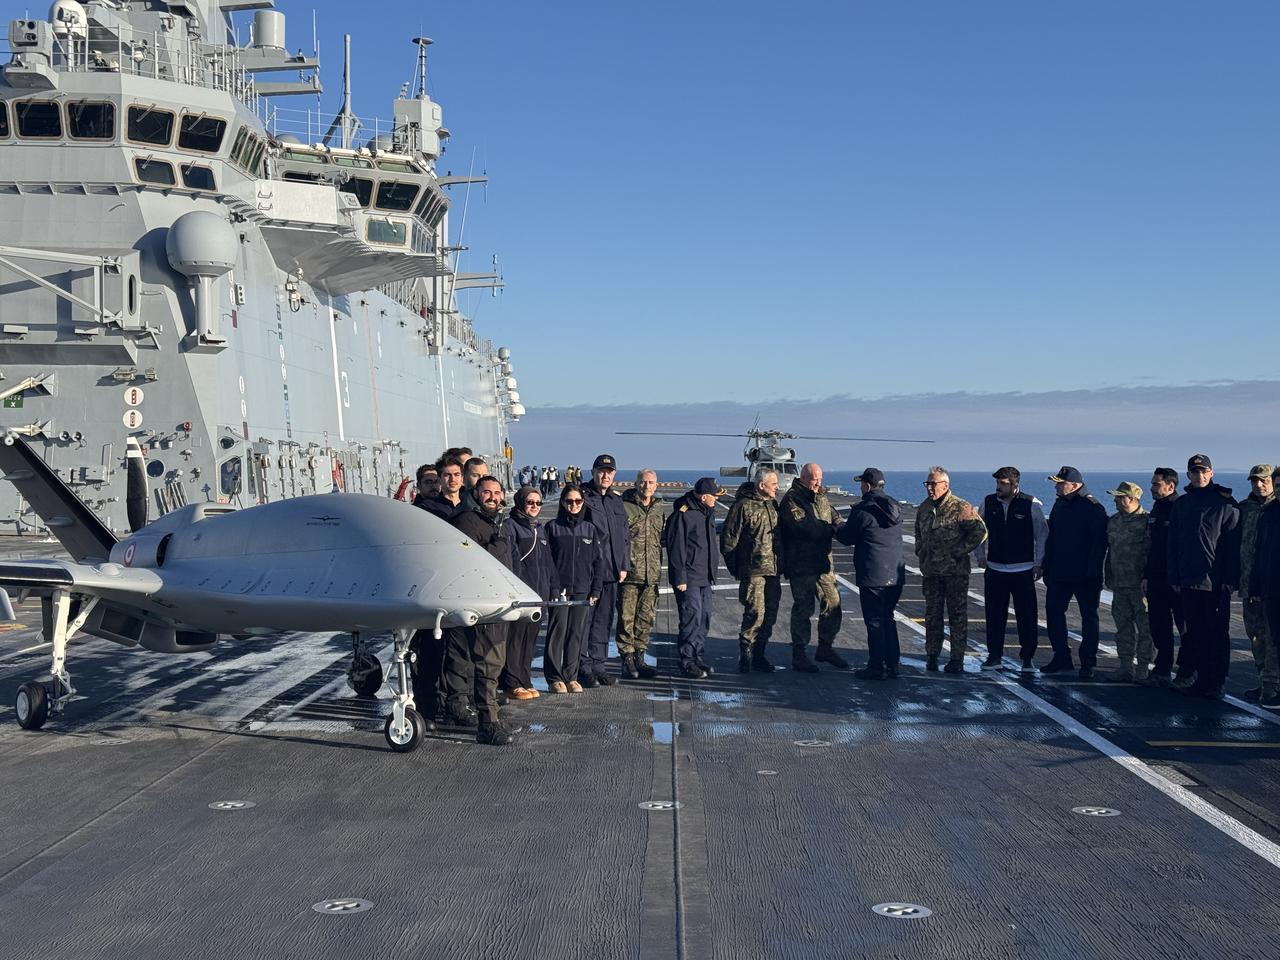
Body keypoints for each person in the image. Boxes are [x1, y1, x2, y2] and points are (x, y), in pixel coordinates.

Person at [1168, 454, 1239, 699]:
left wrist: (1231, 579)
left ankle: (1216, 681)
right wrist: (1175, 576)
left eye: (1203, 471)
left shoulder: (1226, 505)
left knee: (1217, 634)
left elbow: (1233, 545)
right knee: (1194, 633)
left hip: (1215, 582)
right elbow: (1173, 543)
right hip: (1188, 580)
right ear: (1188, 474)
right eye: (1194, 471)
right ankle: (1200, 678)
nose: (1199, 475)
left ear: (1211, 473)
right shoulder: (1182, 504)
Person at [451, 475, 515, 745]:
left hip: (498, 599)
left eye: (497, 493)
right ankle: (487, 724)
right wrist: (497, 545)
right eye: (486, 493)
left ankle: (491, 716)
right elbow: (471, 559)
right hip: (481, 602)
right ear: (476, 493)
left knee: (494, 664)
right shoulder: (467, 520)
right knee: (487, 665)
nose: (492, 497)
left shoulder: (496, 520)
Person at [974, 467, 1047, 674]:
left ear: (1015, 485)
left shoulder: (1030, 504)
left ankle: (1027, 659)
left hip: (1023, 570)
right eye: (997, 483)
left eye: (1003, 484)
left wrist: (1039, 562)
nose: (998, 487)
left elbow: (1042, 534)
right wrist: (979, 556)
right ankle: (994, 656)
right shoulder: (988, 502)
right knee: (994, 615)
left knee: (1027, 616)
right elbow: (979, 531)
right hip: (995, 569)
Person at [915, 466, 988, 674]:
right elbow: (918, 531)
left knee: (957, 616)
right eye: (927, 484)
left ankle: (957, 658)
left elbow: (980, 531)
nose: (929, 488)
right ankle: (932, 654)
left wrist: (958, 550)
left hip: (955, 573)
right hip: (931, 573)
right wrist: (921, 550)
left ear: (945, 485)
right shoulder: (924, 508)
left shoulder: (960, 507)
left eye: (933, 484)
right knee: (932, 615)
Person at [835, 468, 905, 679]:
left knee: (874, 622)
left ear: (866, 486)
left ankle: (876, 666)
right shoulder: (895, 507)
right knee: (888, 618)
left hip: (873, 574)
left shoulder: (864, 510)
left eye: (861, 484)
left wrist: (835, 524)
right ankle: (892, 664)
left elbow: (847, 537)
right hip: (895, 574)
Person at [779, 462, 847, 673]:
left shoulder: (822, 496)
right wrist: (831, 529)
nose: (817, 483)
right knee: (804, 608)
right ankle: (799, 653)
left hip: (823, 563)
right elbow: (805, 527)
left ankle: (825, 647)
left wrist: (846, 529)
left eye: (820, 479)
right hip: (802, 564)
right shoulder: (792, 499)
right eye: (814, 479)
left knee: (833, 603)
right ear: (803, 478)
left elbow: (836, 518)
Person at [1041, 466, 1108, 679]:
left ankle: (1088, 662)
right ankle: (1061, 656)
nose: (1056, 486)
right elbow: (1052, 537)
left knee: (1089, 617)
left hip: (1085, 575)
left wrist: (1092, 572)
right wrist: (1047, 566)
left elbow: (1099, 544)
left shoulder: (1093, 508)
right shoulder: (1060, 505)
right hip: (1060, 572)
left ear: (1075, 485)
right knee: (1053, 613)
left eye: (1061, 483)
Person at [720, 470, 783, 673]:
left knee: (770, 615)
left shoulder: (773, 506)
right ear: (761, 485)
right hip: (753, 571)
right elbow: (729, 540)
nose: (777, 487)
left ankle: (760, 654)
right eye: (773, 483)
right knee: (755, 613)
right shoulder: (743, 506)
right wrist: (738, 569)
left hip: (773, 571)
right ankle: (745, 653)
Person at [544, 484, 603, 693]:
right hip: (558, 589)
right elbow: (547, 561)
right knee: (557, 633)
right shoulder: (552, 528)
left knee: (576, 633)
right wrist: (552, 587)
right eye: (569, 501)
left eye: (578, 501)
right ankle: (554, 678)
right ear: (562, 502)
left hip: (582, 589)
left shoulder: (590, 529)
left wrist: (595, 590)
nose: (574, 505)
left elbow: (598, 562)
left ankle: (571, 676)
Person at [501, 486, 557, 701]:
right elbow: (512, 562)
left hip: (539, 595)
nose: (534, 507)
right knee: (515, 640)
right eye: (530, 502)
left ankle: (525, 679)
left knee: (530, 641)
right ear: (520, 503)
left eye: (538, 503)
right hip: (522, 595)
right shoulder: (510, 527)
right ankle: (511, 682)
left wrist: (552, 587)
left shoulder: (539, 529)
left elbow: (548, 563)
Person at [581, 454, 630, 685]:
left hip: (611, 572)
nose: (605, 475)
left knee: (604, 620)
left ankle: (599, 664)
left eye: (609, 472)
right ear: (593, 472)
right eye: (601, 471)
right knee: (586, 620)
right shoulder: (582, 497)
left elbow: (624, 536)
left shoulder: (615, 501)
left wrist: (624, 565)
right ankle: (583, 666)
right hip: (590, 571)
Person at [668, 478, 722, 678]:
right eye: (714, 495)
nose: (716, 499)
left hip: (705, 576)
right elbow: (676, 548)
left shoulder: (707, 512)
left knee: (704, 617)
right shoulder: (683, 514)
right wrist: (680, 578)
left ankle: (697, 655)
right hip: (689, 577)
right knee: (691, 617)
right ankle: (687, 660)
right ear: (703, 496)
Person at [617, 469, 665, 679]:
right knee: (626, 619)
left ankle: (640, 657)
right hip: (630, 573)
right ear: (636, 484)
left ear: (656, 485)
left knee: (646, 618)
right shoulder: (624, 507)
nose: (647, 486)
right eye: (643, 482)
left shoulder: (658, 508)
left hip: (651, 575)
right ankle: (626, 659)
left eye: (651, 482)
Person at [1104, 481, 1152, 683]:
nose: (1115, 500)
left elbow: (1152, 554)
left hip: (1139, 586)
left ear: (1131, 498)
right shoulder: (1114, 521)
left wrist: (1147, 579)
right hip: (1119, 584)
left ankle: (1143, 668)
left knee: (1145, 630)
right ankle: (1125, 666)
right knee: (1122, 627)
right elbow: (1110, 551)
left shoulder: (1146, 521)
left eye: (1119, 497)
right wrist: (1108, 576)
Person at [1143, 466, 1186, 685]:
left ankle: (1187, 671)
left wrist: (1179, 576)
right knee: (1158, 625)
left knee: (1184, 627)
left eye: (1156, 484)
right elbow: (1150, 545)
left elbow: (1183, 546)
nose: (1151, 488)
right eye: (1152, 483)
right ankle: (1162, 668)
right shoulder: (1157, 509)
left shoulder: (1180, 508)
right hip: (1156, 577)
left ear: (1171, 485)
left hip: (1176, 578)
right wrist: (1146, 575)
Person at [1239, 464, 1277, 705]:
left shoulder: (1274, 510)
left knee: (1273, 635)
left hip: (1271, 584)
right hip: (1247, 583)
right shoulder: (1244, 509)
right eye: (1254, 481)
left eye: (1263, 480)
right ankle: (1264, 679)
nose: (1259, 485)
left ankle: (1272, 685)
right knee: (1255, 635)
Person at [1248, 466, 1280, 711]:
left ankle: (1272, 686)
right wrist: (1255, 586)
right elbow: (1259, 553)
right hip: (1268, 587)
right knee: (1267, 638)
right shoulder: (1267, 514)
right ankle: (1269, 685)